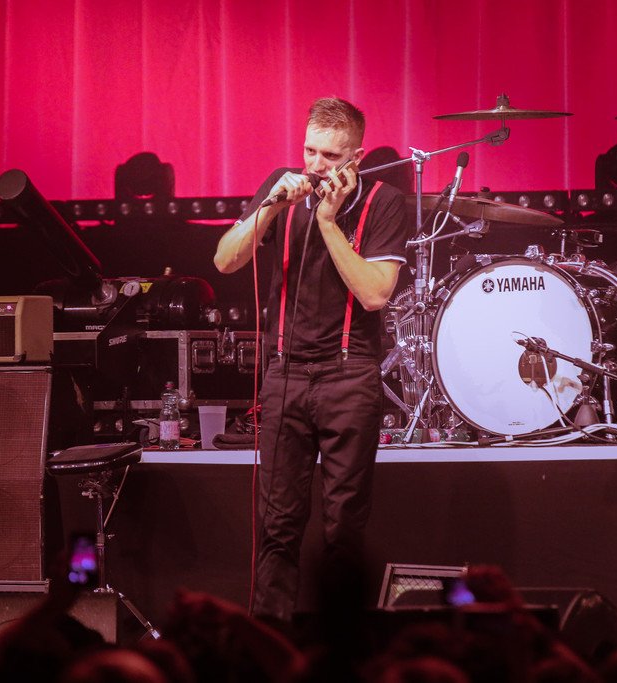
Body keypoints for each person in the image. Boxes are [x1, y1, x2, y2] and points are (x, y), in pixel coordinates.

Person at [214, 97, 408, 621]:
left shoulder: (384, 201)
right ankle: (270, 638)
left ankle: (340, 642)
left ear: (356, 158)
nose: (316, 165)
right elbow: (225, 260)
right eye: (309, 151)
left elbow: (375, 294)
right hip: (285, 373)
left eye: (330, 156)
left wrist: (326, 221)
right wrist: (272, 207)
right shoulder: (282, 184)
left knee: (343, 527)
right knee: (277, 525)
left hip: (349, 374)